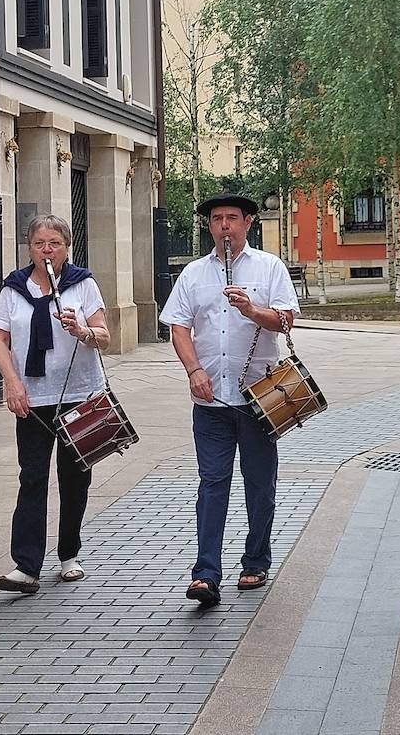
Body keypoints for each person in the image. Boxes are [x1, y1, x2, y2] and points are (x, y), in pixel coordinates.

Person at [161, 193, 299, 607]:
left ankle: (256, 560)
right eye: (217, 219)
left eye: (232, 219)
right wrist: (194, 371)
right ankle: (205, 574)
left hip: (260, 397)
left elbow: (288, 318)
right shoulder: (193, 274)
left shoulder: (269, 267)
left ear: (248, 223)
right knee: (212, 483)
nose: (224, 226)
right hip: (210, 401)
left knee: (259, 486)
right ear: (209, 227)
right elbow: (179, 328)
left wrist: (253, 311)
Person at [0, 215, 110, 594]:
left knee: (75, 479)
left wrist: (82, 331)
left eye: (54, 243)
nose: (47, 250)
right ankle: (26, 565)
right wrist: (12, 382)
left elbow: (104, 336)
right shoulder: (14, 289)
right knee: (32, 478)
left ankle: (69, 554)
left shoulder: (82, 284)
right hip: (32, 399)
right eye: (40, 243)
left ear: (66, 247)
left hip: (79, 394)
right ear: (29, 247)